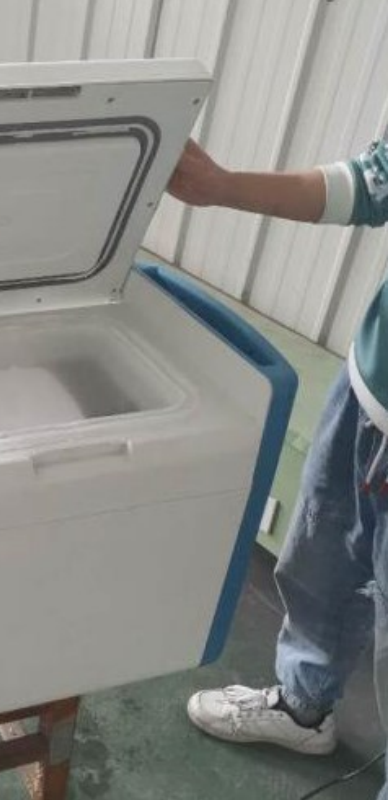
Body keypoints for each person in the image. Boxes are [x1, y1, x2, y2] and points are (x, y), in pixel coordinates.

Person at [167, 140, 388, 795]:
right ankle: (303, 706)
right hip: (370, 387)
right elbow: (371, 184)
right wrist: (222, 185)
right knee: (319, 560)